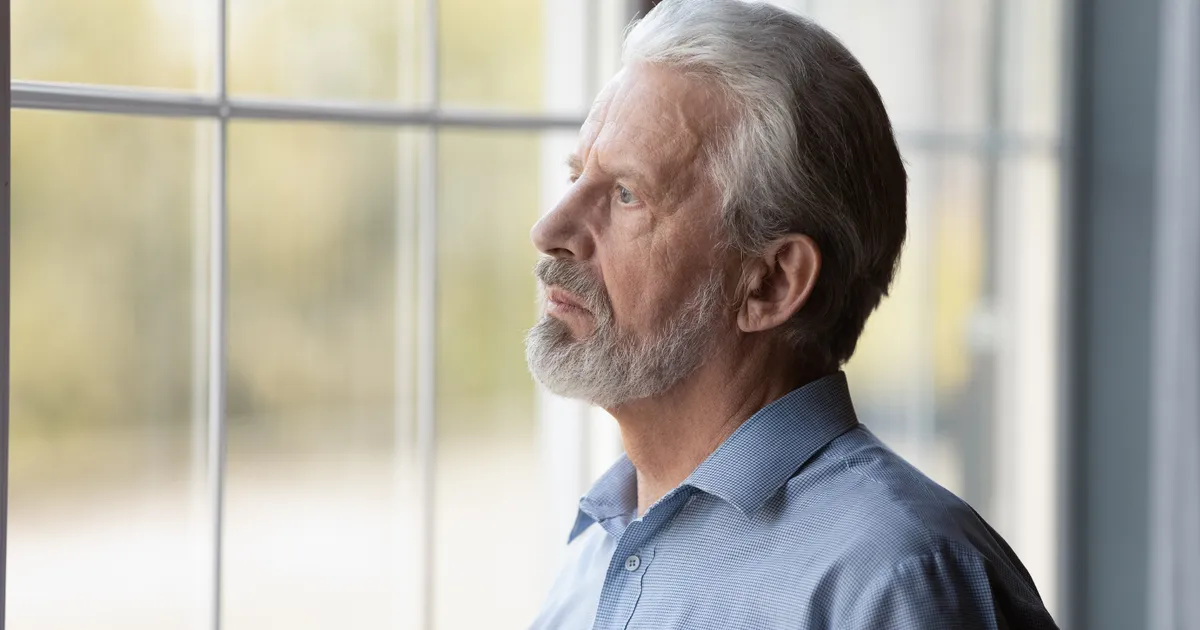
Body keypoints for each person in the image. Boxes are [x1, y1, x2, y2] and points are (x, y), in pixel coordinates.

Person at [523, 1, 1058, 628]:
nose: (550, 229)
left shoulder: (893, 579)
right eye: (576, 174)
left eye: (626, 194)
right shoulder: (598, 555)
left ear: (770, 284)